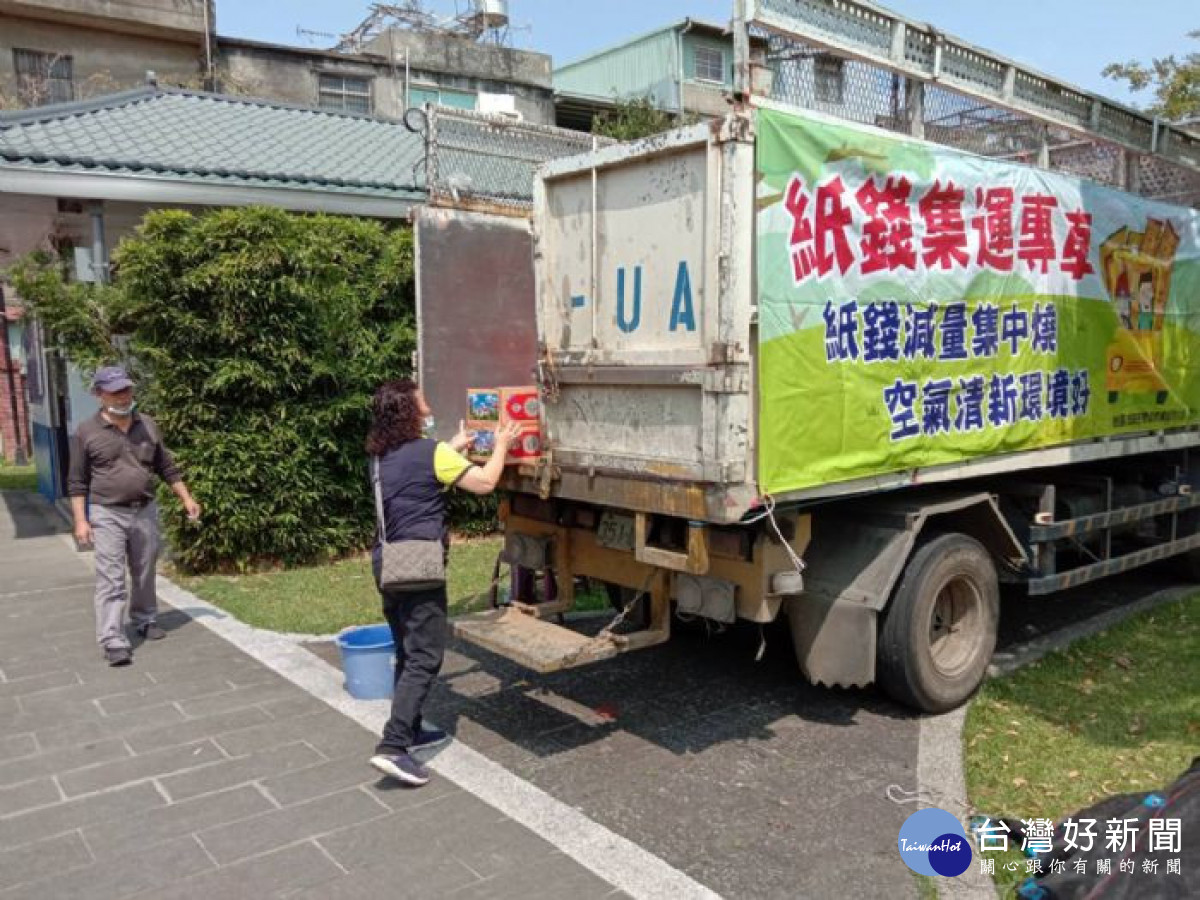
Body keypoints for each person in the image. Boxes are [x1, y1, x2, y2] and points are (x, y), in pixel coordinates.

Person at [365, 379, 519, 787]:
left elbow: (419, 472)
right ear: (408, 413)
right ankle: (394, 747)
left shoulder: (381, 457)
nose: (428, 407)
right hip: (420, 569)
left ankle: (410, 728)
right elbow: (485, 483)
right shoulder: (430, 454)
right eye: (422, 403)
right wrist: (501, 443)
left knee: (406, 650)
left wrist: (452, 447)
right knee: (425, 657)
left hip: (388, 565)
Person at [68, 366, 201, 667]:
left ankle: (144, 618)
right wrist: (81, 519)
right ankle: (113, 638)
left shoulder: (148, 425)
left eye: (126, 389)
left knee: (144, 569)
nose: (123, 396)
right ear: (99, 395)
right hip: (107, 512)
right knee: (111, 577)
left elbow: (166, 467)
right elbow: (77, 481)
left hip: (144, 509)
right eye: (115, 391)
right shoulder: (86, 431)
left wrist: (187, 497)